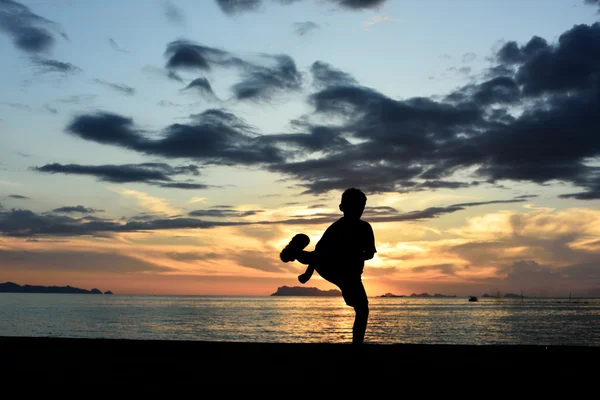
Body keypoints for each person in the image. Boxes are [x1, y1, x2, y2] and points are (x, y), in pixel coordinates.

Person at [279, 188, 376, 345]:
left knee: (361, 308)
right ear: (342, 208)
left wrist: (307, 274)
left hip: (346, 272)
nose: (357, 211)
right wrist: (308, 273)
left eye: (360, 208)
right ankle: (357, 346)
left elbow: (370, 253)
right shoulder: (338, 229)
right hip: (339, 270)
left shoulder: (363, 228)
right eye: (354, 207)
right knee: (362, 309)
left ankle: (297, 253)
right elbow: (320, 254)